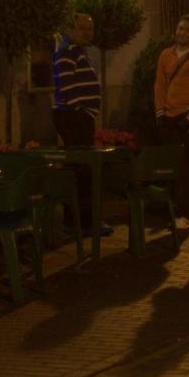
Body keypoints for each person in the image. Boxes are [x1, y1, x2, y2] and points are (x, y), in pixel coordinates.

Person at [52, 13, 112, 236]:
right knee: (82, 170)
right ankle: (84, 223)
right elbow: (67, 87)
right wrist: (82, 110)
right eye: (82, 28)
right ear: (70, 30)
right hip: (74, 117)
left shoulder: (77, 52)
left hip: (77, 116)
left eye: (90, 28)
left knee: (80, 170)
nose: (87, 32)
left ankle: (78, 221)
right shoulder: (67, 52)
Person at [154, 14, 189, 230]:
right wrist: (159, 112)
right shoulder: (165, 55)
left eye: (187, 30)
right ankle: (177, 211)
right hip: (168, 116)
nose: (181, 32)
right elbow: (159, 84)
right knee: (174, 166)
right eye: (179, 28)